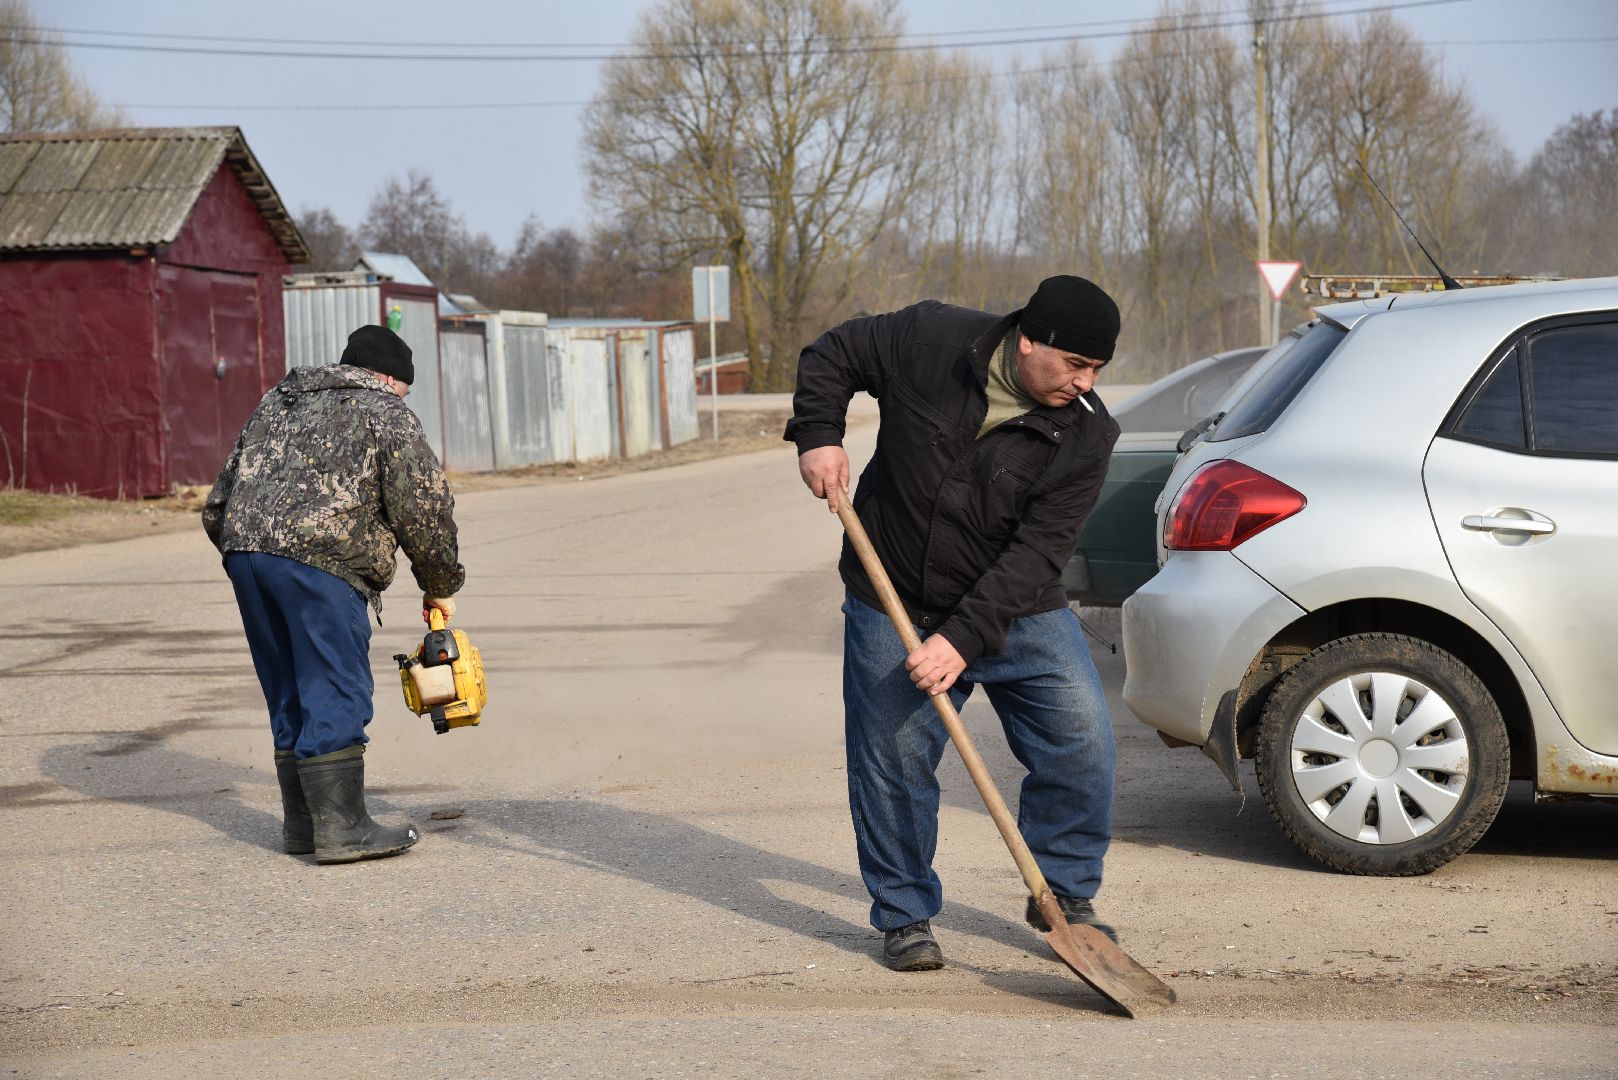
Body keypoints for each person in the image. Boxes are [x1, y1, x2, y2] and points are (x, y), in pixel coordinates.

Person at [786, 275, 1123, 971]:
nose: (1085, 382)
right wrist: (819, 435)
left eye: (1098, 370)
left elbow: (1038, 553)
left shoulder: (1087, 432)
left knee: (1083, 740)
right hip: (895, 593)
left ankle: (1063, 894)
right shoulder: (928, 339)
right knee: (895, 761)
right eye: (1076, 364)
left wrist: (960, 641)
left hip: (1015, 607)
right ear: (1029, 340)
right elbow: (833, 354)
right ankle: (906, 915)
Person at [203, 324, 465, 865]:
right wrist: (439, 586)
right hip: (321, 563)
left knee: (288, 685)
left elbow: (219, 499)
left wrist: (251, 554)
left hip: (245, 553)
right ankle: (344, 830)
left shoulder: (278, 401)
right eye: (405, 388)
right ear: (391, 377)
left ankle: (303, 827)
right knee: (334, 683)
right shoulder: (385, 412)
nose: (403, 397)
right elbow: (422, 508)